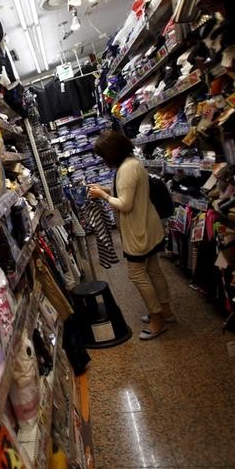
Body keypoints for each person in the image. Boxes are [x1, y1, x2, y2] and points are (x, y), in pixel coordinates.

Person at [87, 130, 175, 339]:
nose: (102, 160)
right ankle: (167, 312)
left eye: (103, 156)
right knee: (153, 269)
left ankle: (157, 320)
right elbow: (128, 192)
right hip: (149, 224)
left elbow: (124, 204)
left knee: (136, 274)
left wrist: (101, 195)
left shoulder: (126, 169)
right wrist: (107, 189)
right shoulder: (132, 163)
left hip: (138, 231)